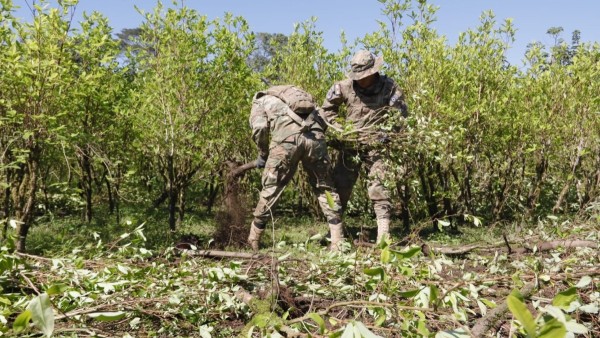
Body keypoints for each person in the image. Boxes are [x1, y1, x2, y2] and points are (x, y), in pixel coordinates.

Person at [321, 50, 408, 244]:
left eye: (365, 76)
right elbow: (326, 111)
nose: (361, 80)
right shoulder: (343, 87)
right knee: (340, 187)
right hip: (350, 146)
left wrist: (390, 133)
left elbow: (400, 115)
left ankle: (384, 234)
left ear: (373, 72)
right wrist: (341, 128)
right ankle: (335, 233)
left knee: (379, 187)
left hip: (378, 146)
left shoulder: (390, 87)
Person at [247, 85, 344, 251]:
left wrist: (263, 154)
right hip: (315, 138)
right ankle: (338, 239)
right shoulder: (303, 98)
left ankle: (254, 239)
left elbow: (260, 128)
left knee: (272, 187)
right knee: (326, 188)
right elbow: (323, 119)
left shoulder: (261, 100)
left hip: (286, 142)